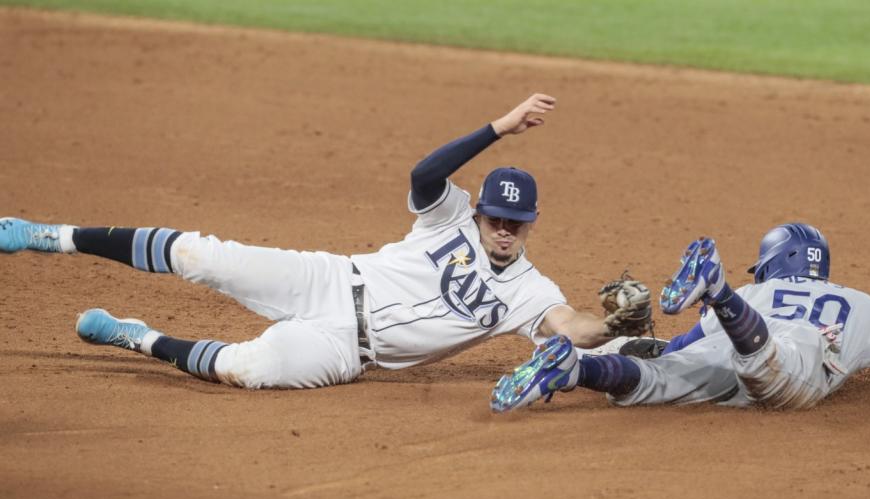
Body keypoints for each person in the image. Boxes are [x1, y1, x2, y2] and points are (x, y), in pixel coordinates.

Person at [0, 93, 648, 390]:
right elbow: (424, 174)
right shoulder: (447, 216)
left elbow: (571, 327)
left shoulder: (530, 291)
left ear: (530, 224)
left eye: (516, 222)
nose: (504, 229)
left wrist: (609, 322)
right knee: (200, 254)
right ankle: (45, 235)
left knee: (242, 369)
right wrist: (498, 128)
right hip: (330, 279)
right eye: (496, 218)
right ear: (480, 213)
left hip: (343, 350)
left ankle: (133, 335)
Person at [490, 223, 870, 412]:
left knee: (656, 378)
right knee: (770, 374)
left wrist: (639, 348)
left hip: (729, 334)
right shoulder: (864, 305)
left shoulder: (759, 289)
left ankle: (574, 369)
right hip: (787, 353)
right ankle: (717, 289)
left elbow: (678, 349)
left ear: (773, 264)